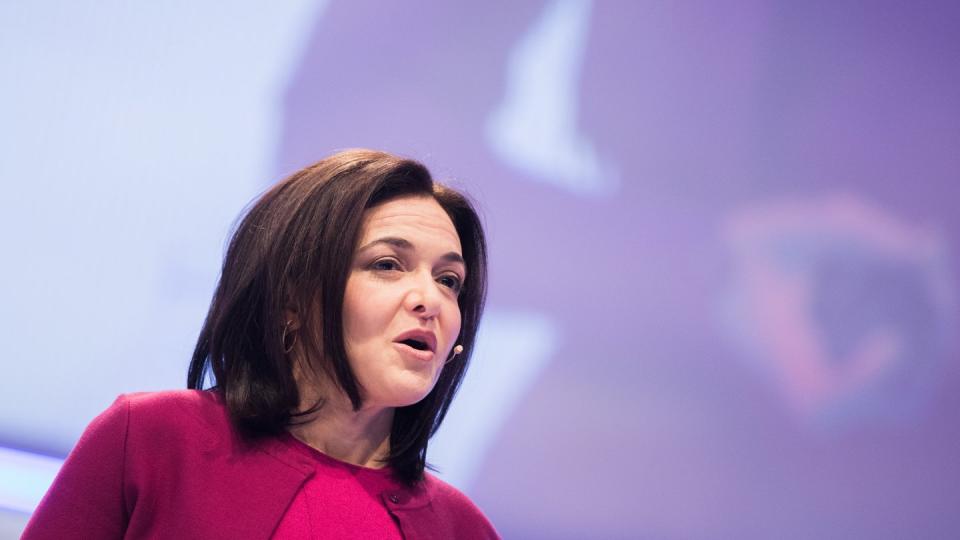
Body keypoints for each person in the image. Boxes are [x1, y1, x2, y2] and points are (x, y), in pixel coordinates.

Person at [22, 149, 499, 539]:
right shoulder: (150, 440)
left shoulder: (461, 528)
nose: (431, 300)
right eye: (387, 265)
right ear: (291, 296)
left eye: (449, 280)